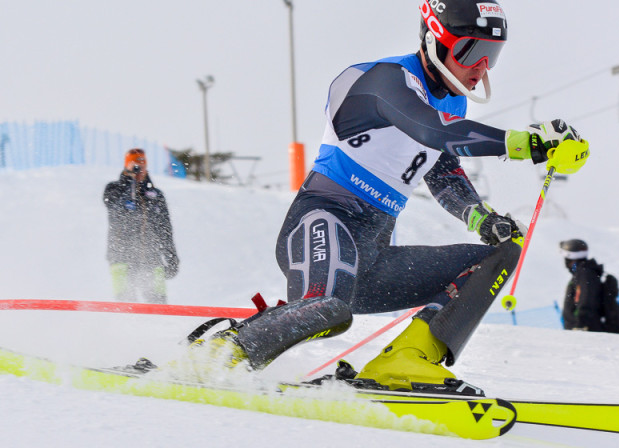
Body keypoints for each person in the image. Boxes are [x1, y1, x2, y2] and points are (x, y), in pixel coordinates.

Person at [192, 0, 590, 391]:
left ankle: (407, 360)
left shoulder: (452, 99)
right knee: (327, 310)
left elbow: (443, 171)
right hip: (325, 222)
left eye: (492, 54)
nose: (481, 67)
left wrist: (481, 218)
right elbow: (433, 132)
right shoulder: (385, 80)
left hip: (374, 256)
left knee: (501, 254)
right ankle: (213, 358)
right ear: (435, 39)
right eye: (472, 50)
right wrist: (526, 143)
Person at [103, 148, 179, 304]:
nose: (140, 169)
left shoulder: (156, 195)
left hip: (151, 258)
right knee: (125, 305)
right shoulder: (113, 189)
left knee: (158, 304)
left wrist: (171, 256)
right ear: (127, 166)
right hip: (121, 257)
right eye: (136, 165)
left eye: (143, 165)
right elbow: (113, 205)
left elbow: (165, 228)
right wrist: (129, 180)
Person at [559, 239, 619, 333]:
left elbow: (586, 300)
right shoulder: (584, 272)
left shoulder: (584, 274)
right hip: (583, 329)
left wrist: (581, 325)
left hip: (584, 330)